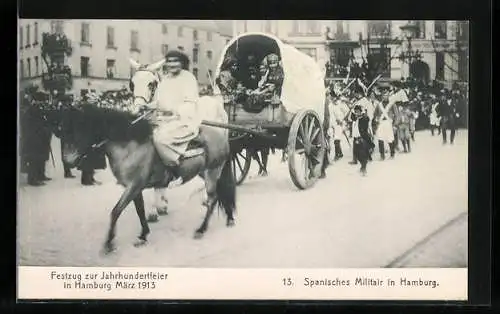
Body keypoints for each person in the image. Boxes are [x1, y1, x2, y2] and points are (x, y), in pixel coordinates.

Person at [149, 50, 201, 169]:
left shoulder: (188, 78)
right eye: (169, 61)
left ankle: (174, 166)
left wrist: (173, 111)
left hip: (183, 121)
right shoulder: (165, 79)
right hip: (163, 120)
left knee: (159, 138)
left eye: (176, 61)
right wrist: (147, 106)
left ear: (182, 63)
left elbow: (191, 104)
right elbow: (159, 102)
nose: (172, 64)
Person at [20, 88, 52, 186]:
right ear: (36, 100)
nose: (42, 102)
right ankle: (32, 179)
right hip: (34, 139)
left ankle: (40, 175)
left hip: (41, 138)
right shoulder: (32, 110)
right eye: (41, 100)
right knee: (34, 158)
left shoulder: (39, 109)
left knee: (41, 157)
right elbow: (31, 125)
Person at [373, 92, 397, 160]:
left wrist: (395, 124)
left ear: (388, 96)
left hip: (389, 123)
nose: (385, 97)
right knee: (380, 139)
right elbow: (375, 114)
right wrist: (376, 121)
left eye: (386, 96)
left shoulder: (392, 104)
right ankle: (382, 155)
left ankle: (392, 154)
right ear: (382, 97)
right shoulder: (379, 105)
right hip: (381, 123)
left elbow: (396, 115)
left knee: (390, 139)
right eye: (383, 96)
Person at [349, 104, 371, 176]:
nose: (356, 113)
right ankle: (362, 166)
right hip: (356, 138)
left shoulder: (363, 119)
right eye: (356, 112)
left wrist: (363, 114)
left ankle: (364, 169)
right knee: (356, 153)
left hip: (362, 139)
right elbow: (350, 117)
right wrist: (352, 110)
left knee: (363, 154)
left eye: (358, 112)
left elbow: (367, 119)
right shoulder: (355, 119)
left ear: (361, 112)